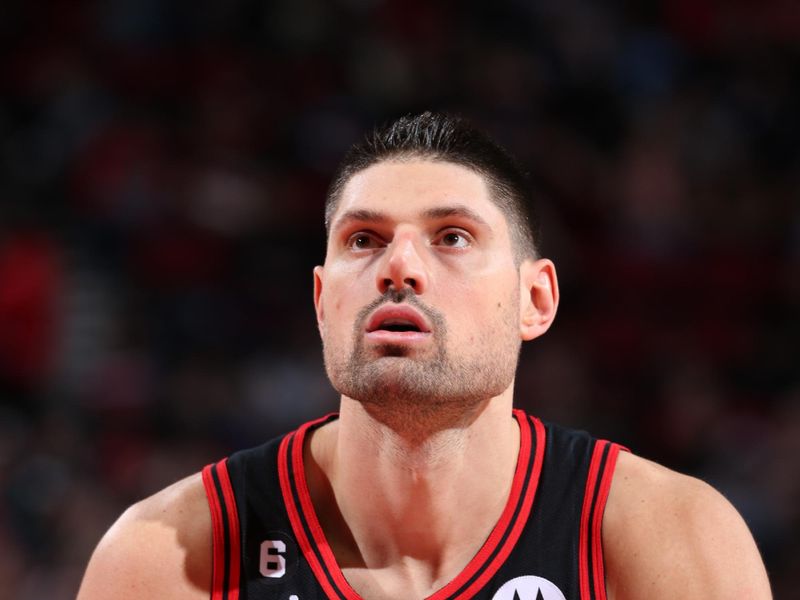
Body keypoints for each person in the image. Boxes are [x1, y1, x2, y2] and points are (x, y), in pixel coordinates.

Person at [77, 112, 771, 600]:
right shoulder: (162, 561)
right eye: (363, 240)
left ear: (535, 299)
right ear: (321, 302)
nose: (399, 267)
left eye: (452, 237)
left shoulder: (669, 540)